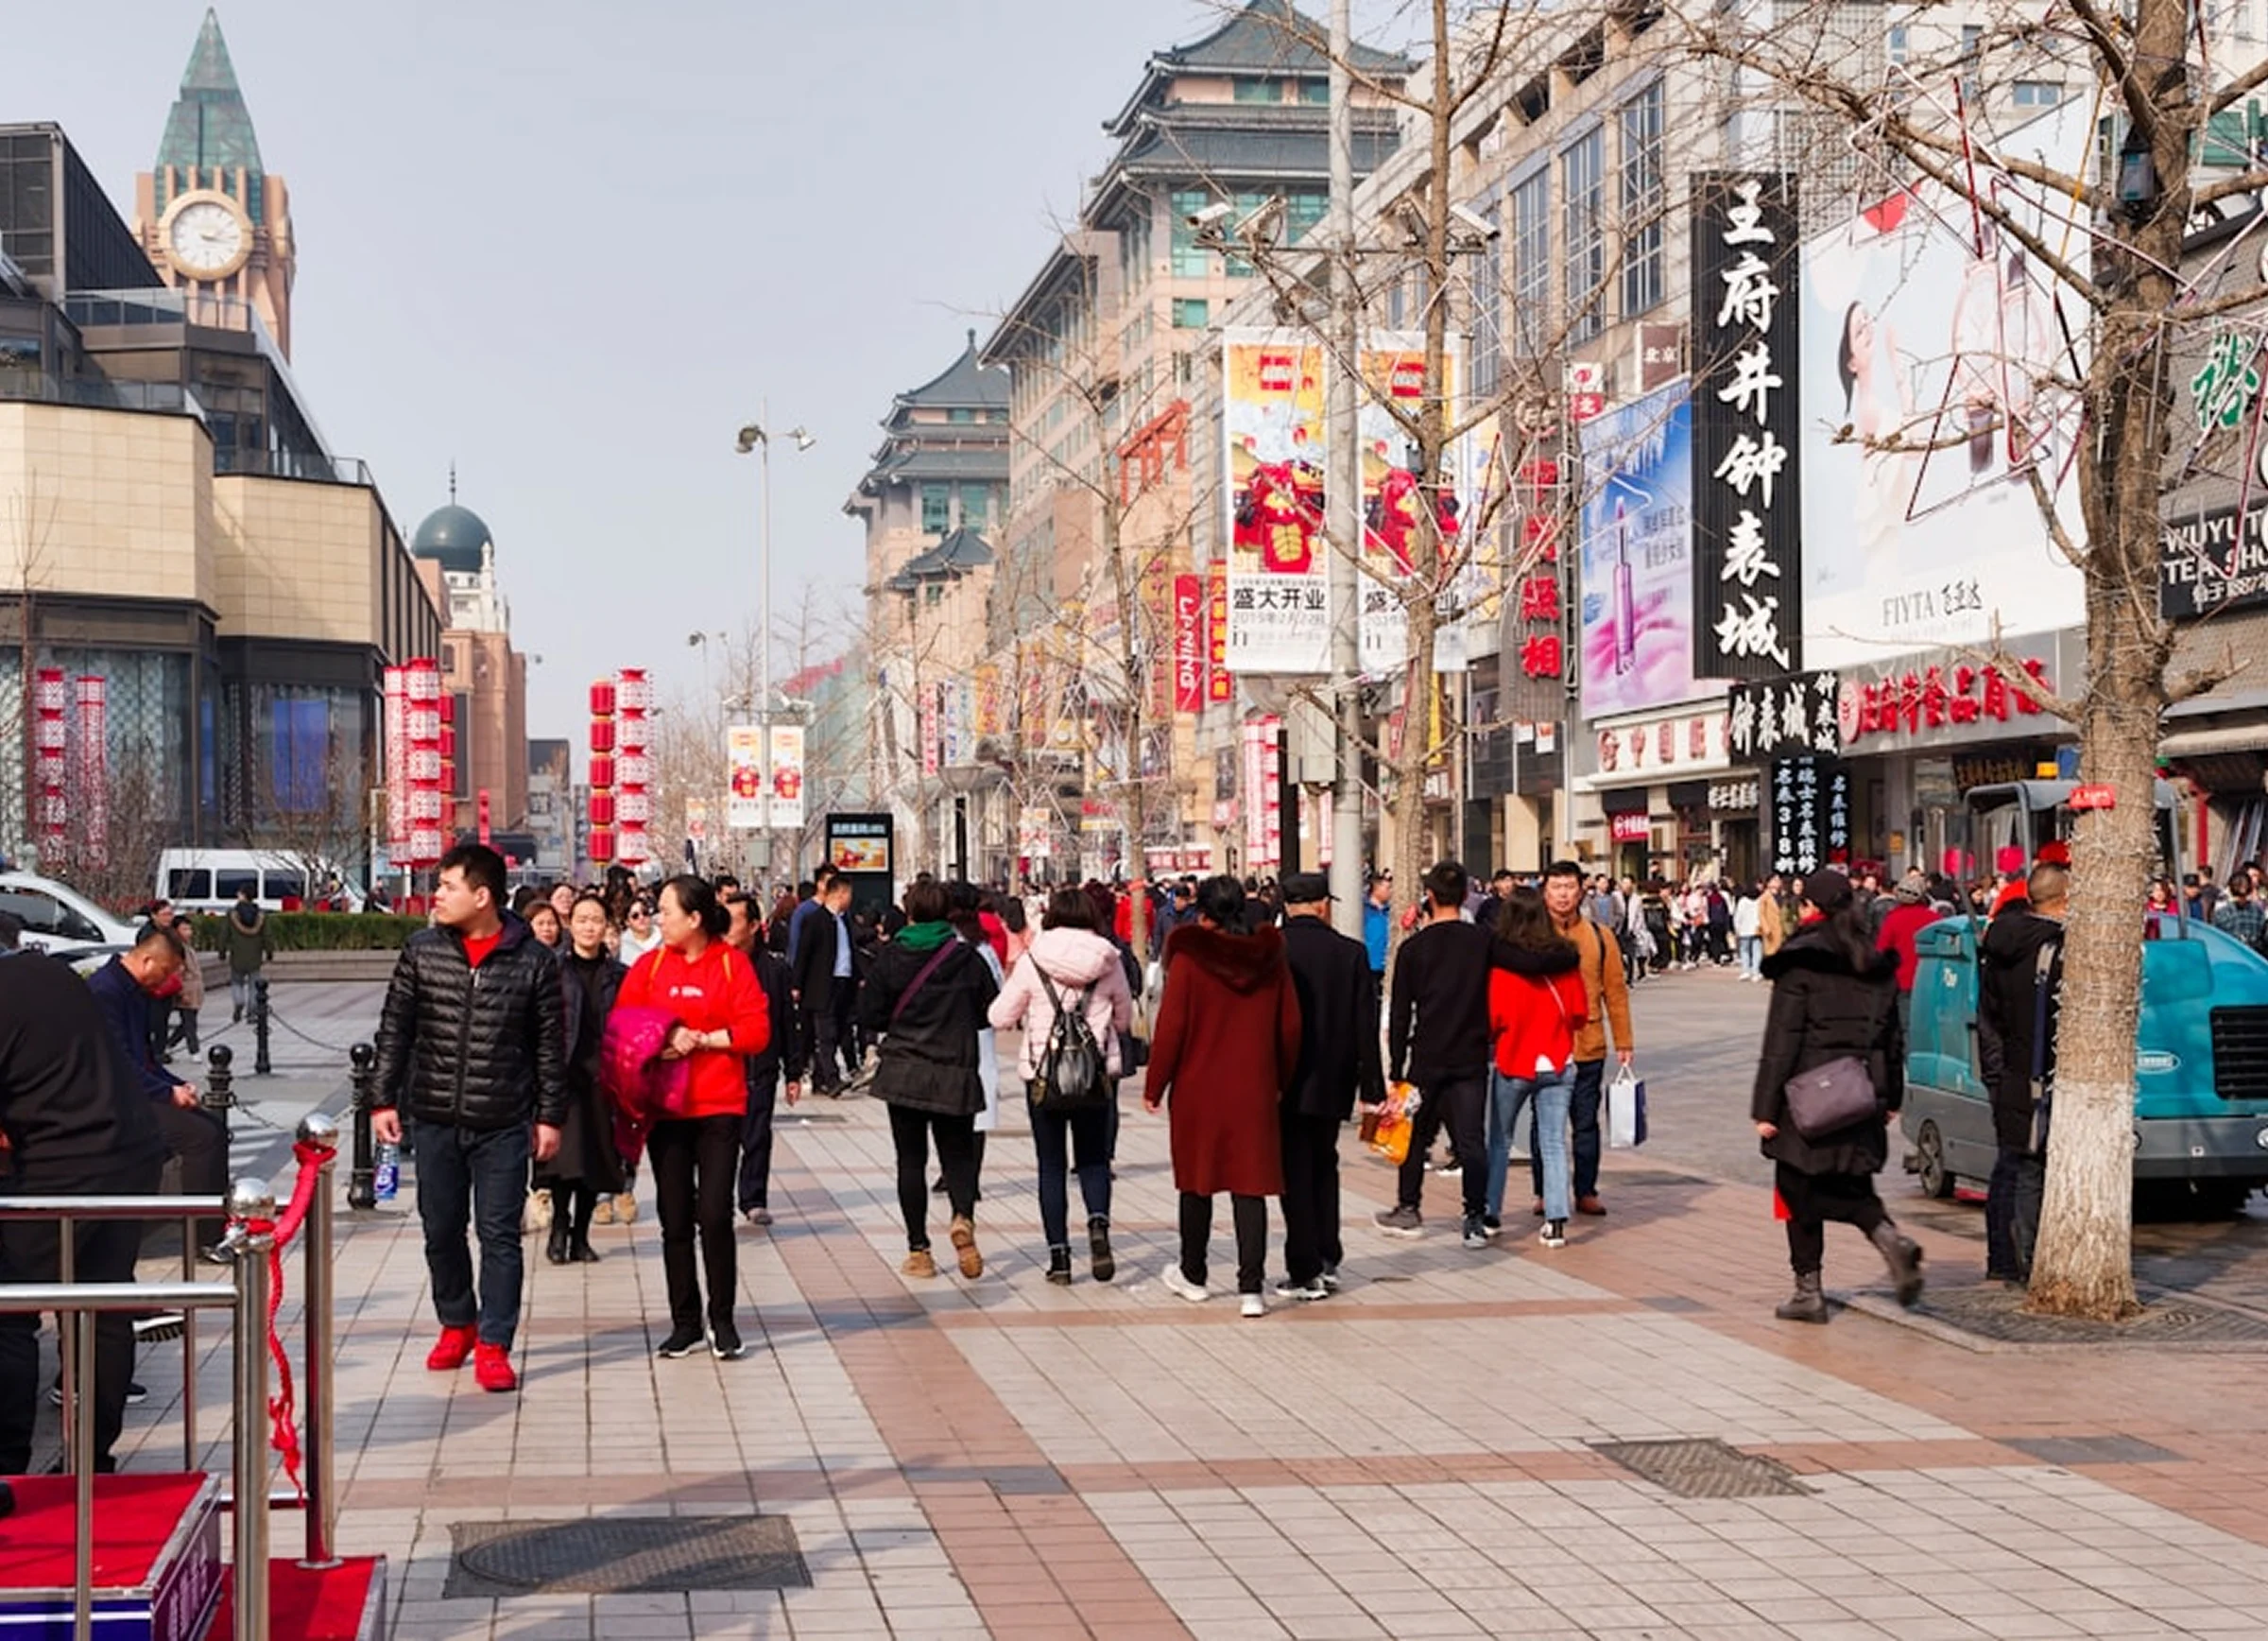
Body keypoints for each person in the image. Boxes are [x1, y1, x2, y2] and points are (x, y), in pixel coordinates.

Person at [371, 844, 567, 1393]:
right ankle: (457, 1321)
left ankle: (495, 1343)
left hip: (503, 1120)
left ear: (481, 896)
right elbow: (395, 1030)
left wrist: (549, 1117)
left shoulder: (534, 961)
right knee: (440, 1229)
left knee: (499, 1234)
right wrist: (383, 1099)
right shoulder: (421, 951)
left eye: (448, 887)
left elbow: (551, 1046)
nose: (437, 896)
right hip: (433, 1116)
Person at [0, 948, 167, 1479]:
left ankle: (7, 1466)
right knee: (102, 1304)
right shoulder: (47, 970)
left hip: (60, 1164)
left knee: (9, 1310)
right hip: (131, 1149)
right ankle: (90, 1463)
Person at [1750, 868, 1923, 1322]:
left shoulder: (1801, 960)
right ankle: (1886, 1235)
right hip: (1860, 1093)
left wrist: (1764, 1108)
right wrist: (1890, 1098)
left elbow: (1781, 1039)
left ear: (1813, 909)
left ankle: (1809, 1290)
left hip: (1806, 1095)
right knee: (1853, 1182)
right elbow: (1892, 1038)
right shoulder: (1873, 960)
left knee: (1797, 1188)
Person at [614, 875, 770, 1359]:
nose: (660, 919)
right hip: (667, 1109)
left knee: (715, 1213)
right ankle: (685, 1321)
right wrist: (665, 1038)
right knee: (675, 1216)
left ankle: (722, 1320)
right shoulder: (649, 966)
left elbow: (756, 1030)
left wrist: (702, 1039)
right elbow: (623, 1025)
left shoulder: (732, 964)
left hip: (720, 1105)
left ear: (695, 917)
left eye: (666, 910)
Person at [1144, 876, 1300, 1317]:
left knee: (1197, 1182)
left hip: (1198, 1088)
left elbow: (1171, 1029)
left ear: (1204, 914)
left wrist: (1155, 1084)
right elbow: (1290, 1027)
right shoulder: (1271, 962)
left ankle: (1193, 1273)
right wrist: (1280, 1078)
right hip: (1253, 1086)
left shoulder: (1191, 963)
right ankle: (1252, 1288)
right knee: (1250, 1188)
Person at [989, 887, 1134, 1283]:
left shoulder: (1034, 958)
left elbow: (1001, 1016)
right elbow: (1124, 1019)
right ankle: (1098, 1224)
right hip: (1096, 1075)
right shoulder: (1109, 959)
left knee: (1051, 1166)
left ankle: (1060, 1258)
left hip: (1044, 1076)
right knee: (1093, 1159)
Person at [859, 880, 998, 1280]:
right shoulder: (966, 958)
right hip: (954, 1069)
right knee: (958, 1156)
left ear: (910, 912)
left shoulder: (889, 956)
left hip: (904, 1071)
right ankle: (961, 1218)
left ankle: (919, 1249)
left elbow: (870, 1014)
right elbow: (986, 1012)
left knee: (910, 1160)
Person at [1272, 872, 1383, 1300]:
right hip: (1334, 1079)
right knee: (1324, 1164)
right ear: (1322, 905)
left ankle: (1304, 1269)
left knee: (1293, 1172)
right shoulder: (1350, 953)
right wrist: (1371, 1088)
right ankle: (1328, 1255)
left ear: (1286, 906)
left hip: (1285, 1079)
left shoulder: (1273, 950)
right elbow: (1364, 1025)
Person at [84, 924, 229, 1254]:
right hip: (115, 1099)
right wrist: (166, 1094)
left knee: (213, 1128)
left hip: (139, 1091)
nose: (166, 982)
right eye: (165, 972)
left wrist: (176, 1086)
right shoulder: (105, 991)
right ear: (148, 961)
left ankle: (214, 1227)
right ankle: (202, 1239)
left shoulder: (134, 992)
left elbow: (145, 1059)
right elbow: (118, 1063)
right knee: (200, 1138)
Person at [1378, 862, 1499, 1246]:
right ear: (1465, 895)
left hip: (1426, 1056)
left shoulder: (1414, 949)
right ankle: (1475, 1218)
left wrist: (1396, 1066)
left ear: (1428, 896)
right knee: (1471, 1141)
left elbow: (1399, 1013)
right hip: (1471, 1055)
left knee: (1414, 1135)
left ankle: (1408, 1208)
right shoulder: (1483, 941)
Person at [1485, 890, 1590, 1250]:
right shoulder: (1566, 960)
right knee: (1553, 1141)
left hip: (1515, 1059)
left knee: (1499, 1139)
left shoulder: (1502, 966)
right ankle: (1556, 1219)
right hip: (1559, 1059)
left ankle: (1491, 1211)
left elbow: (1495, 1018)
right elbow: (1579, 1013)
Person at [1978, 861, 2066, 1284]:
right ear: (2064, 900)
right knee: (2032, 1168)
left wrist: (1995, 1068)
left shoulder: (1999, 944)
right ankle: (2028, 1262)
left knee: (2012, 1164)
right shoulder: (2055, 948)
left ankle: (2003, 1259)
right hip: (2040, 1071)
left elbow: (1989, 1013)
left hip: (2007, 1069)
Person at [1531, 860, 1633, 1221]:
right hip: (1542, 1045)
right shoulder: (1531, 934)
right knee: (1544, 1122)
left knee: (1585, 1123)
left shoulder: (1600, 936)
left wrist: (1624, 1040)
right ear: (1545, 892)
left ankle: (1586, 1190)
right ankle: (1545, 1191)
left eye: (1569, 887)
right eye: (1556, 887)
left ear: (1581, 891)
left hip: (1587, 1043)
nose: (1563, 895)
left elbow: (1615, 992)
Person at [537, 891, 627, 1266]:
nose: (590, 926)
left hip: (603, 1077)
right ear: (569, 925)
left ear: (607, 927)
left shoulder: (620, 976)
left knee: (596, 1159)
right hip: (564, 1075)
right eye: (582, 919)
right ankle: (560, 1226)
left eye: (597, 920)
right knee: (565, 1160)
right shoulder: (554, 970)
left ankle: (581, 1236)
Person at [725, 891, 799, 1228]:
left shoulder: (775, 970)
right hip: (721, 1068)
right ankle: (716, 1197)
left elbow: (786, 1022)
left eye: (734, 920)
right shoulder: (715, 966)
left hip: (761, 1067)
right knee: (720, 1139)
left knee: (757, 1135)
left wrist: (794, 1071)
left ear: (754, 925)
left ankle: (754, 1198)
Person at [792, 875, 860, 1095]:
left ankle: (820, 1077)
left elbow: (852, 952)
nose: (850, 898)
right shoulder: (815, 920)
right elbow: (803, 954)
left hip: (844, 981)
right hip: (821, 985)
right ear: (839, 893)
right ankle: (831, 1079)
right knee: (825, 1033)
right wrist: (797, 985)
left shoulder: (844, 920)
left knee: (840, 1030)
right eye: (848, 893)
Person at [1874, 871, 1940, 1035]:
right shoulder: (1934, 918)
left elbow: (1881, 949)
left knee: (1909, 1030)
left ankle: (1910, 1060)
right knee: (1931, 1028)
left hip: (1903, 981)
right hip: (1932, 980)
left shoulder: (1893, 919)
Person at [220, 882, 268, 1024]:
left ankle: (239, 1002)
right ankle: (252, 1013)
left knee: (237, 982)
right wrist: (269, 950)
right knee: (254, 985)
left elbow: (224, 934)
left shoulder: (232, 915)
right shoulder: (260, 915)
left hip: (237, 955)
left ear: (242, 895)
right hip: (255, 955)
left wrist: (222, 950)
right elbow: (267, 935)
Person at [167, 913, 206, 1057]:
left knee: (186, 1023)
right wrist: (181, 992)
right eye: (184, 929)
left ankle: (169, 1044)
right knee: (190, 1023)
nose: (189, 932)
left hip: (194, 989)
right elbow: (178, 972)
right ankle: (194, 1050)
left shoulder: (187, 947)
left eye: (189, 929)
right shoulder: (177, 948)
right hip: (186, 989)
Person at [2212, 872, 2267, 954]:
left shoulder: (2222, 913)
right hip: (2253, 960)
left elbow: (2215, 941)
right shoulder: (2259, 912)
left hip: (2229, 958)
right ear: (2251, 890)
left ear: (2229, 890)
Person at [1362, 872, 1391, 984]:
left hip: (1387, 963)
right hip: (1370, 964)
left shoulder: (1391, 911)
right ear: (1377, 887)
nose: (1390, 891)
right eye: (1387, 888)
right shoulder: (1363, 910)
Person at [1732, 883, 1763, 980]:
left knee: (1744, 951)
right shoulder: (1760, 901)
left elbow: (1738, 916)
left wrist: (1737, 928)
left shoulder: (1743, 901)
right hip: (1756, 929)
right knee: (1757, 952)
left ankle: (1745, 971)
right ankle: (1756, 972)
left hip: (1744, 930)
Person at [616, 898, 662, 964]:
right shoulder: (622, 945)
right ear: (627, 922)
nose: (641, 917)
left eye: (645, 913)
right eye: (635, 916)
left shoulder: (664, 935)